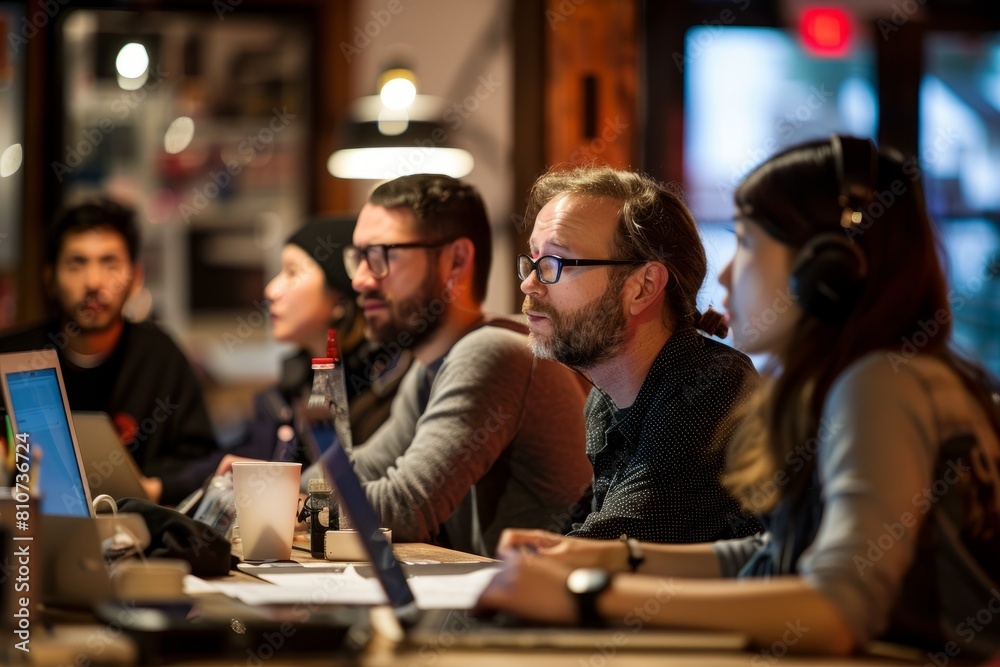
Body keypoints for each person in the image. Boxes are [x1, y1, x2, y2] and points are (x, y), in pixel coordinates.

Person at [477, 137, 1000, 658]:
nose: (725, 273)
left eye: (747, 244)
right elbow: (773, 555)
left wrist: (592, 596)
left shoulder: (882, 387)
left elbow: (838, 609)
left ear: (827, 271)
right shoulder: (875, 383)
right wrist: (615, 561)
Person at [304, 173, 593, 556]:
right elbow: (353, 471)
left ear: (456, 259)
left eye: (379, 256)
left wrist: (281, 498)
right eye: (357, 257)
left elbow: (404, 508)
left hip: (534, 608)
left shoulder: (493, 352)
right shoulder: (431, 367)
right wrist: (276, 485)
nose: (358, 280)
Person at [515, 165, 760, 543]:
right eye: (533, 259)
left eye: (555, 263)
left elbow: (611, 551)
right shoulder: (606, 396)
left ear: (643, 287)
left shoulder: (710, 389)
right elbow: (580, 541)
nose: (530, 282)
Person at [0, 199, 221, 504]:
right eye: (76, 264)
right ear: (49, 278)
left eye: (110, 263)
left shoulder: (159, 358)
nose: (93, 282)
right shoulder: (13, 357)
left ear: (135, 277)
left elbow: (202, 462)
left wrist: (153, 488)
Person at [222, 216, 411, 467]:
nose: (270, 290)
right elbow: (241, 456)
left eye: (292, 272)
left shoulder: (390, 384)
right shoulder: (286, 393)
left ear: (340, 300)